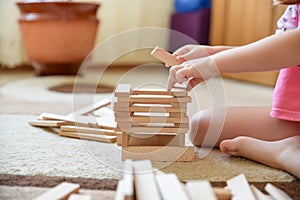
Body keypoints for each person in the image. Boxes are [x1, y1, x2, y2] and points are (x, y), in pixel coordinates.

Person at [167, 0, 300, 179]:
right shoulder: (294, 10)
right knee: (203, 126)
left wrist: (213, 63)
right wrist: (213, 53)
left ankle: (285, 153)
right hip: (294, 119)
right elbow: (280, 56)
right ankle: (291, 145)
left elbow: (294, 46)